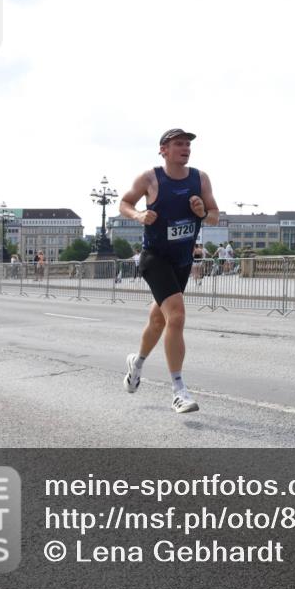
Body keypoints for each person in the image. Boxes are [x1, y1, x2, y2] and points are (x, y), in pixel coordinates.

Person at [119, 128, 219, 413]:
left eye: (187, 144)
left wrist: (201, 212)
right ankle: (179, 391)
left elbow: (214, 216)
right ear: (163, 149)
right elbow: (124, 202)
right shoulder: (150, 178)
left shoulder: (200, 179)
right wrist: (138, 214)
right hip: (155, 257)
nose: (185, 148)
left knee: (159, 321)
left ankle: (135, 365)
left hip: (182, 261)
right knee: (176, 315)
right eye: (178, 144)